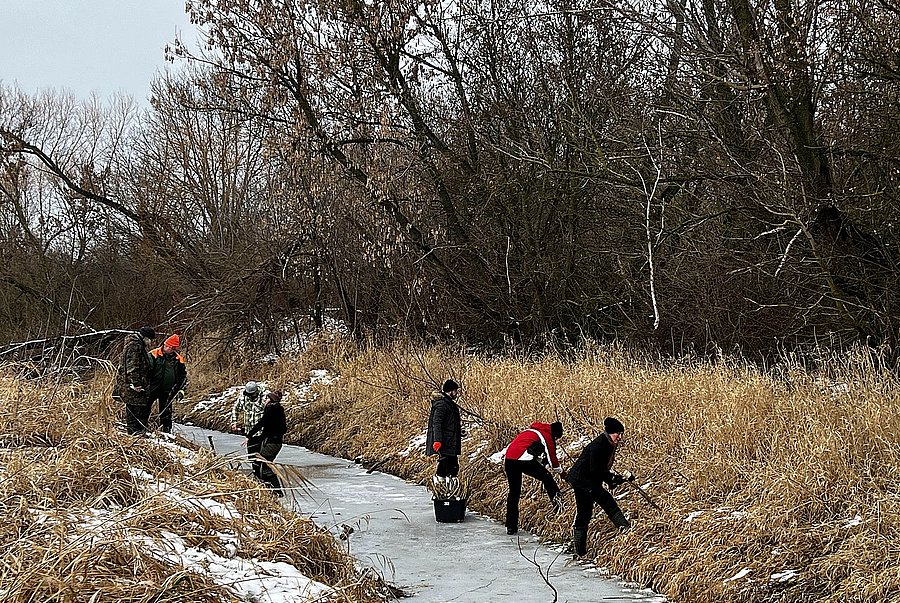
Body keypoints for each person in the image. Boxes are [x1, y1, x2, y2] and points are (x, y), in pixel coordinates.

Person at [565, 416, 633, 556]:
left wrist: (612, 480)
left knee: (585, 512)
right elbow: (595, 470)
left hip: (588, 479)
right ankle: (627, 531)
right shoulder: (599, 446)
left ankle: (579, 551)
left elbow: (601, 469)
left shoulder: (609, 443)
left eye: (621, 434)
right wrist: (611, 478)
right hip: (582, 480)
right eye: (617, 434)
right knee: (605, 503)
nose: (620, 437)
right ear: (609, 433)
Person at [503, 420, 566, 535]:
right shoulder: (546, 436)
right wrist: (562, 472)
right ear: (555, 434)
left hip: (509, 460)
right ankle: (560, 506)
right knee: (547, 478)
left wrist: (541, 463)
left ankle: (511, 526)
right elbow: (552, 459)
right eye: (556, 438)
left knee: (514, 493)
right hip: (523, 460)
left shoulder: (531, 431)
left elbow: (530, 451)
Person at [113, 326, 156, 435]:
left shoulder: (137, 344)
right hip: (132, 385)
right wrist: (136, 383)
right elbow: (132, 367)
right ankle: (133, 433)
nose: (150, 343)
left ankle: (137, 432)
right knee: (133, 408)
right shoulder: (134, 346)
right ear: (145, 337)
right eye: (150, 339)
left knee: (136, 408)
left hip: (133, 383)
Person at [244, 390, 288, 495]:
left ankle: (277, 491)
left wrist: (249, 435)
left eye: (266, 398)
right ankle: (268, 489)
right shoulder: (274, 409)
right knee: (261, 464)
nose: (264, 400)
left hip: (273, 442)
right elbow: (267, 428)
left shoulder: (272, 410)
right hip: (272, 440)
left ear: (271, 400)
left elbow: (262, 423)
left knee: (263, 464)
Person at [146, 334, 188, 433]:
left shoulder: (179, 359)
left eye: (170, 347)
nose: (167, 348)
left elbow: (183, 376)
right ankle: (142, 428)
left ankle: (166, 431)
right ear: (164, 344)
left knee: (166, 412)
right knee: (145, 408)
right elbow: (145, 371)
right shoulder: (153, 354)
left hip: (168, 390)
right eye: (166, 346)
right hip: (152, 387)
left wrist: (181, 390)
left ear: (174, 348)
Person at [425, 379, 463, 480]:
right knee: (450, 468)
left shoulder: (449, 404)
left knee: (447, 466)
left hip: (450, 441)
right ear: (450, 391)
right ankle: (445, 490)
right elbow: (436, 423)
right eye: (455, 391)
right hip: (445, 442)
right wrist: (437, 440)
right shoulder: (442, 404)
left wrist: (459, 432)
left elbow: (450, 423)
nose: (456, 393)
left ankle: (442, 490)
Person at [232, 381, 268, 472]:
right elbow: (235, 408)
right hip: (249, 434)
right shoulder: (243, 397)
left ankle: (263, 477)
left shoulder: (265, 397)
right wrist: (234, 422)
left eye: (252, 395)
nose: (250, 397)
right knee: (252, 457)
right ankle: (256, 475)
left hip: (263, 433)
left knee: (262, 458)